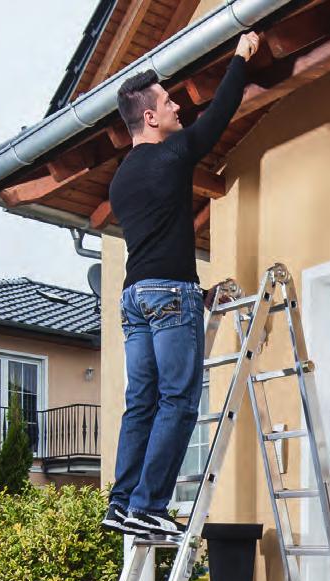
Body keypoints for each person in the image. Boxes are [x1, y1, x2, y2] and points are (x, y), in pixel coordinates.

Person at [103, 32, 260, 537]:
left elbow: (160, 238)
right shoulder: (170, 157)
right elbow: (220, 115)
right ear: (149, 117)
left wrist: (200, 292)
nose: (178, 111)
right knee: (178, 401)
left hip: (135, 299)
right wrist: (241, 56)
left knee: (141, 403)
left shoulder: (121, 179)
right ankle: (149, 506)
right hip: (169, 297)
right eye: (169, 104)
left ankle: (122, 502)